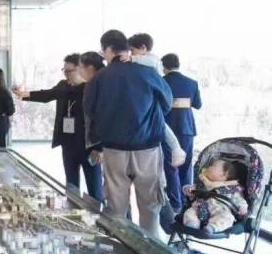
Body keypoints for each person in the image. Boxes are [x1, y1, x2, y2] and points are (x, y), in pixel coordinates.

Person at [84, 30, 172, 239]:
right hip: (147, 149)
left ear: (107, 49)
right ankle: (150, 251)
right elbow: (167, 103)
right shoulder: (147, 72)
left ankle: (120, 251)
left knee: (116, 209)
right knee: (150, 207)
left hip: (114, 150)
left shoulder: (99, 78)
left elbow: (89, 111)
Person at [15, 54, 102, 201]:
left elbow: (100, 118)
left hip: (89, 146)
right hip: (68, 144)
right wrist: (24, 95)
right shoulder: (63, 86)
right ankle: (74, 211)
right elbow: (47, 95)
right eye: (64, 71)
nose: (66, 74)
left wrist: (100, 148)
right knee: (71, 185)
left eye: (69, 71)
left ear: (80, 69)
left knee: (95, 189)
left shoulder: (91, 88)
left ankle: (98, 214)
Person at [126, 34, 187, 169]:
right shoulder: (147, 61)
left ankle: (176, 148)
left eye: (132, 50)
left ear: (143, 47)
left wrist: (132, 58)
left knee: (162, 126)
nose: (131, 53)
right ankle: (176, 148)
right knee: (161, 125)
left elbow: (149, 62)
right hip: (153, 99)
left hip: (154, 99)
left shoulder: (152, 60)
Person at [161, 53, 202, 212]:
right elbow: (198, 104)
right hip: (187, 128)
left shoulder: (161, 82)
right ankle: (187, 200)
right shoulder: (191, 83)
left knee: (170, 165)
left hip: (167, 128)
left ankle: (175, 201)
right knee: (186, 164)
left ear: (164, 67)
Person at [182, 159, 247, 233]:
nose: (209, 167)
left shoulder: (232, 188)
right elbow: (191, 192)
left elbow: (239, 199)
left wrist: (242, 207)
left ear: (224, 174)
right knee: (190, 212)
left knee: (227, 217)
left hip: (221, 211)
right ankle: (192, 224)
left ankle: (212, 227)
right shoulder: (202, 183)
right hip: (200, 207)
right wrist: (188, 190)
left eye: (213, 166)